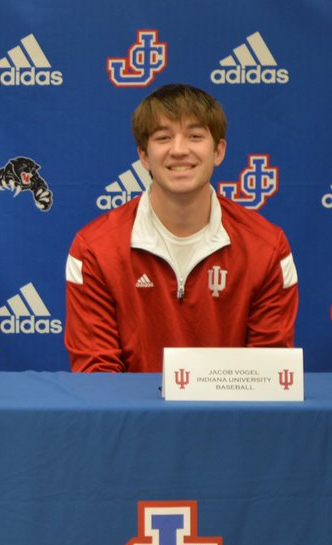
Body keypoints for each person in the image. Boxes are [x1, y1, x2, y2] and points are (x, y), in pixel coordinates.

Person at [65, 83, 298, 373]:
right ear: (144, 156)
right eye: (163, 137)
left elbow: (268, 375)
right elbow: (96, 377)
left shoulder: (267, 247)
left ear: (218, 151)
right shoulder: (94, 249)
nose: (178, 150)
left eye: (195, 136)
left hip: (231, 419)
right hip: (132, 419)